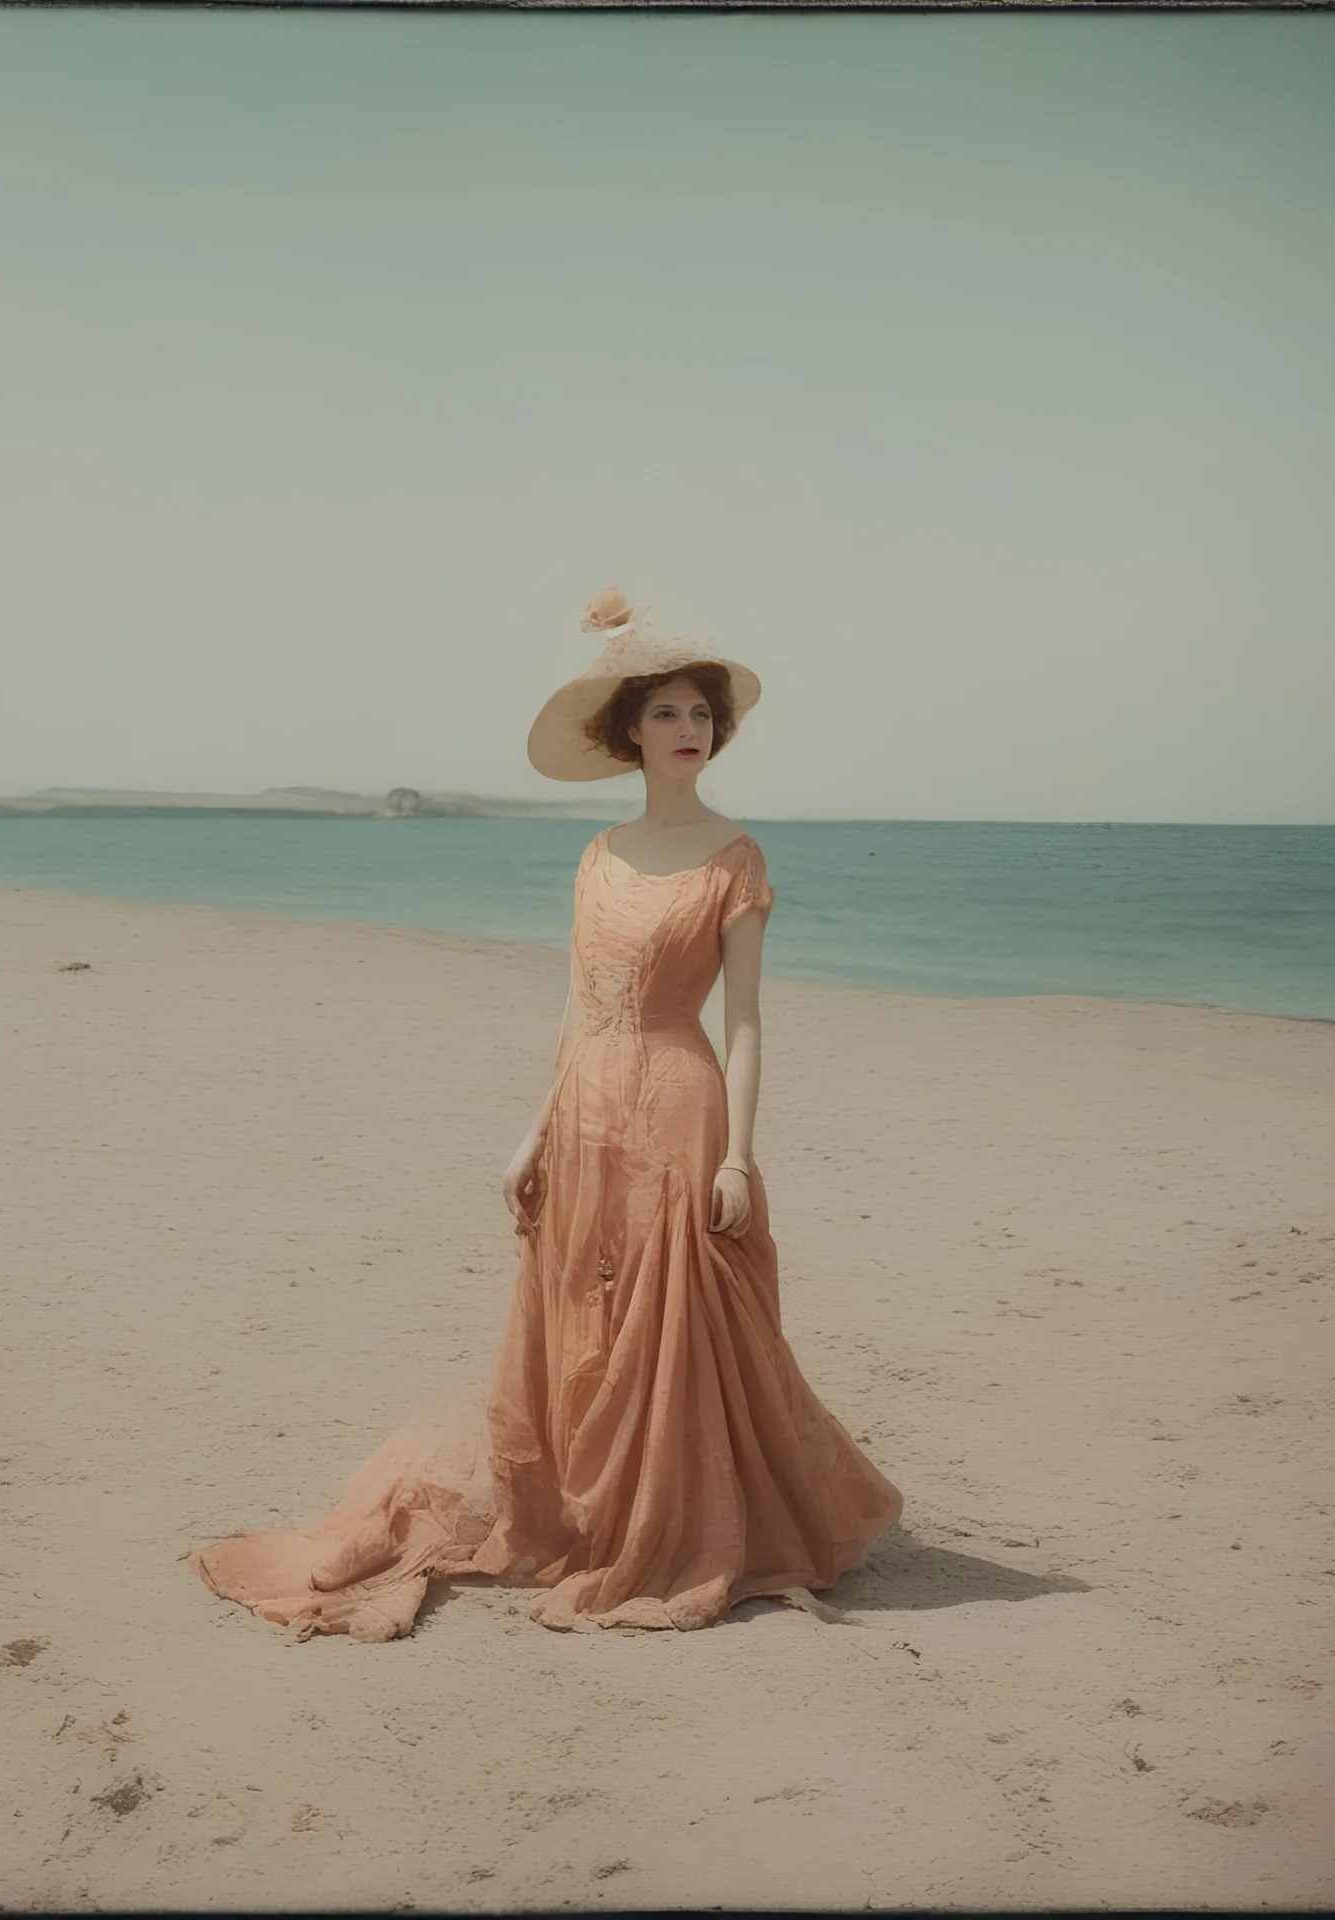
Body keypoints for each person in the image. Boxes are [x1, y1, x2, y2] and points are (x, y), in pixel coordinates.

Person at [180, 587, 905, 1640]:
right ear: (630, 732)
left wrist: (740, 1156)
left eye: (701, 714)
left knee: (674, 1323)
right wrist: (533, 1127)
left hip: (682, 1104)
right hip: (586, 1109)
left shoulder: (736, 859)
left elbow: (743, 1024)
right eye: (665, 714)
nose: (687, 730)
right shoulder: (598, 856)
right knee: (581, 1316)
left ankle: (672, 1519)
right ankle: (585, 1506)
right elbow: (578, 1002)